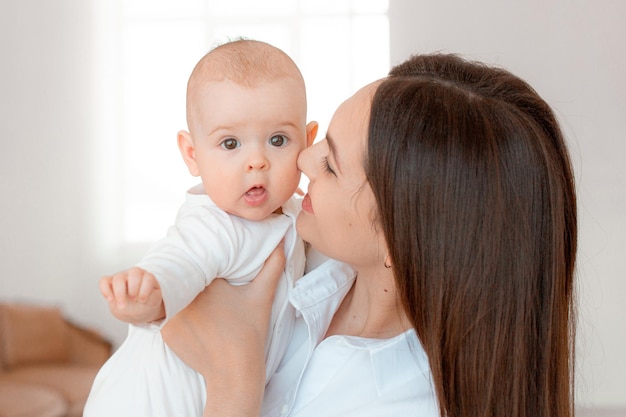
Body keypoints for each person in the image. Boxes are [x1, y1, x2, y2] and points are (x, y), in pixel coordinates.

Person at [162, 52, 577, 417]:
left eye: (331, 165)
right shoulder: (297, 264)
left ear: (400, 239)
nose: (303, 159)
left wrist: (235, 381)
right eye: (321, 142)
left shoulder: (404, 405)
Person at [84, 39, 317, 417]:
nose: (256, 161)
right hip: (145, 401)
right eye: (230, 143)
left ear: (307, 142)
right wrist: (152, 291)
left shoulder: (295, 214)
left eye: (278, 140)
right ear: (192, 155)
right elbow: (182, 258)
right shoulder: (215, 222)